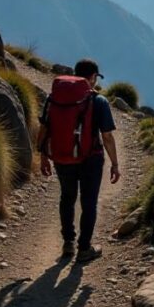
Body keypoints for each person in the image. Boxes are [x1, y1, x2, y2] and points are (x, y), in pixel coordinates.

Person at [36, 58, 121, 262]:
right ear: (92, 77)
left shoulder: (54, 98)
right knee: (88, 202)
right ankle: (84, 248)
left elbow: (44, 128)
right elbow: (107, 136)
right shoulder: (98, 101)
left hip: (62, 157)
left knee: (67, 198)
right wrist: (115, 164)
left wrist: (43, 156)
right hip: (91, 159)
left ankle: (68, 244)